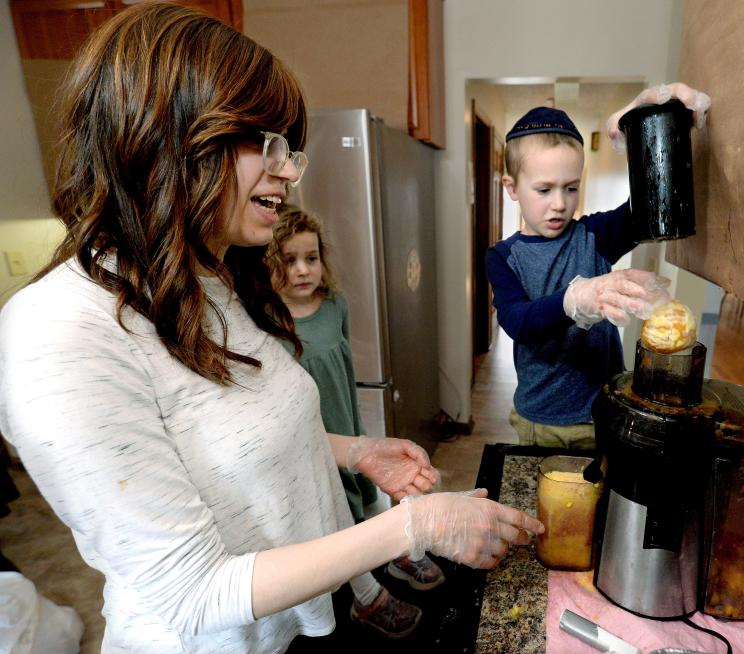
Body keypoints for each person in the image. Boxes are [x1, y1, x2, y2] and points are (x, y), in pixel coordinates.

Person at [0, 4, 542, 653]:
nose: (289, 169)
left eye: (290, 147)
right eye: (266, 142)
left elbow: (237, 441)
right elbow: (192, 593)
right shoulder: (57, 334)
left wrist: (352, 452)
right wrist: (415, 527)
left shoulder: (213, 280)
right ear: (167, 136)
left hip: (304, 618)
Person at [485, 84, 711, 449]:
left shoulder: (595, 235)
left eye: (571, 188)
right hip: (539, 419)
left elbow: (646, 213)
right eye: (544, 190)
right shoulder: (503, 256)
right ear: (511, 187)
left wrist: (644, 136)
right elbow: (518, 322)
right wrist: (576, 299)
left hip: (601, 411)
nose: (560, 204)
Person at [267, 204, 446, 639]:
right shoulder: (269, 322)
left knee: (367, 491)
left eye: (311, 258)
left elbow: (344, 372)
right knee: (336, 508)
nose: (303, 270)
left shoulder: (335, 306)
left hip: (347, 420)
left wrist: (359, 428)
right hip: (312, 438)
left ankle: (393, 551)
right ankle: (364, 595)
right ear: (272, 265)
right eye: (289, 260)